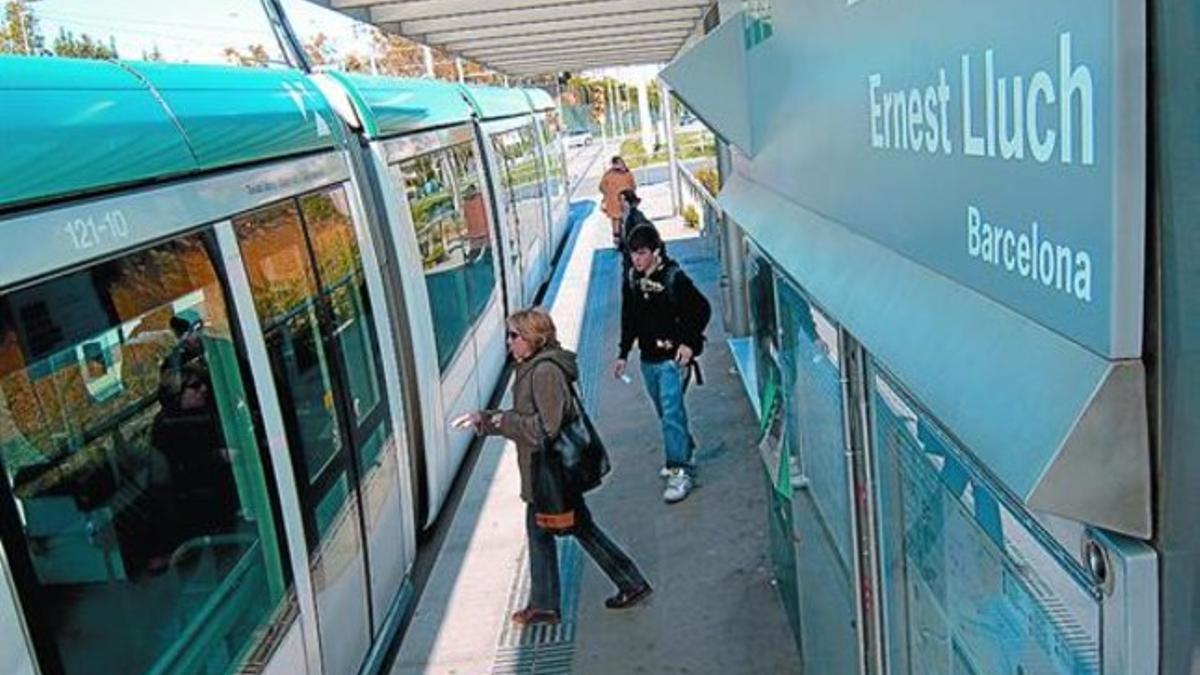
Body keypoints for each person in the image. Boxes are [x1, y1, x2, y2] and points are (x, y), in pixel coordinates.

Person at [466, 308, 652, 625]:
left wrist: (499, 420)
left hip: (551, 472)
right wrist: (488, 421)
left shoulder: (545, 373)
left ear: (533, 338)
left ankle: (628, 583)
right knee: (543, 531)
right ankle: (545, 604)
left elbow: (546, 428)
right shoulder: (531, 366)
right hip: (543, 471)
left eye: (514, 336)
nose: (509, 342)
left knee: (579, 528)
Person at [613, 226, 712, 503]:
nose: (637, 260)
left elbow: (702, 309)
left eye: (642, 253)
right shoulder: (632, 278)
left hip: (672, 361)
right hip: (648, 360)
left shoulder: (674, 278)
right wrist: (623, 354)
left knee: (671, 413)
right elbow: (628, 317)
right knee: (665, 412)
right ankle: (684, 448)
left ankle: (680, 469)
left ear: (656, 251)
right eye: (633, 254)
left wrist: (688, 344)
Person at [616, 189, 660, 277]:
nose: (620, 203)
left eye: (622, 200)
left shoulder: (637, 218)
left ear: (628, 202)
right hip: (629, 258)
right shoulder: (623, 217)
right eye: (619, 200)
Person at [599, 156, 636, 243]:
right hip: (617, 201)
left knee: (617, 219)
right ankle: (619, 237)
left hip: (621, 201)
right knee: (618, 219)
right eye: (620, 163)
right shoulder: (624, 173)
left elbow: (601, 187)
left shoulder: (610, 174)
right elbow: (633, 186)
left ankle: (618, 238)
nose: (621, 165)